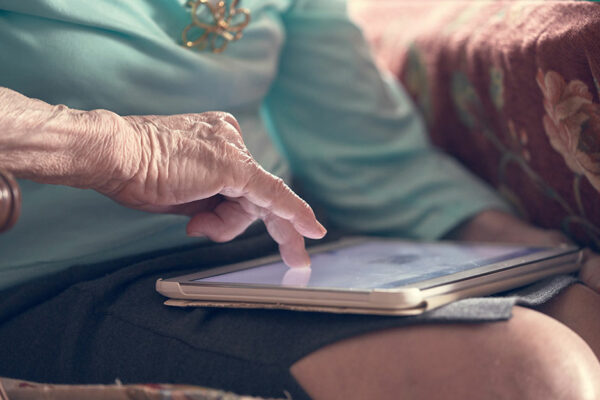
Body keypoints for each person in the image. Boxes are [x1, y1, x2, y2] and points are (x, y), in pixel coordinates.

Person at [0, 0, 599, 398]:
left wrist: (555, 252)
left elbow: (367, 152)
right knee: (532, 373)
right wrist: (125, 150)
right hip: (55, 282)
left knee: (589, 321)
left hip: (278, 254)